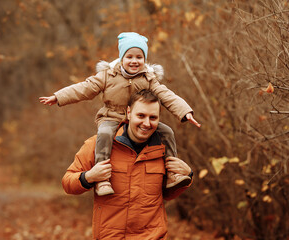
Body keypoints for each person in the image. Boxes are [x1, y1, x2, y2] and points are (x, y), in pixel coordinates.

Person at [39, 32, 200, 196]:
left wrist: (185, 111)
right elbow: (84, 88)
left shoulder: (148, 78)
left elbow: (166, 95)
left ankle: (173, 173)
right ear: (122, 58)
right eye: (129, 56)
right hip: (112, 116)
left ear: (144, 59)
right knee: (104, 133)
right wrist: (58, 97)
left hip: (138, 120)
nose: (134, 61)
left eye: (139, 57)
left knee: (167, 132)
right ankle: (102, 179)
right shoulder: (108, 76)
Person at [62, 90, 193, 239]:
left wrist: (187, 175)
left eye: (153, 117)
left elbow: (167, 195)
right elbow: (67, 182)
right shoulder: (99, 145)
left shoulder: (164, 149)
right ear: (129, 113)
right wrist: (88, 177)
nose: (147, 123)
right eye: (141, 116)